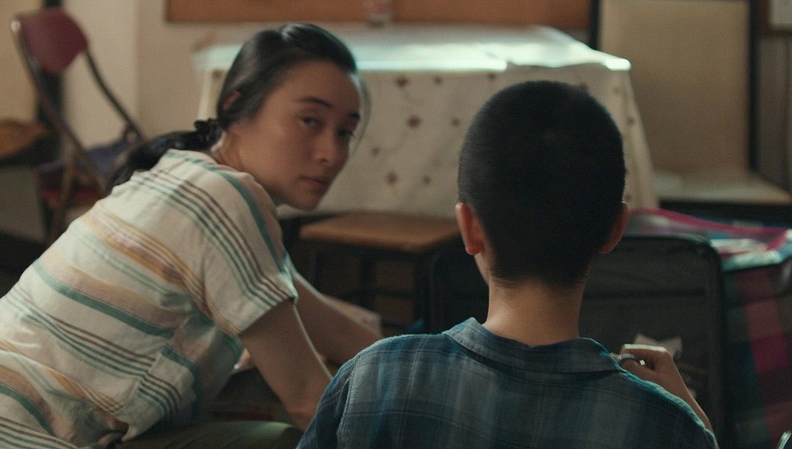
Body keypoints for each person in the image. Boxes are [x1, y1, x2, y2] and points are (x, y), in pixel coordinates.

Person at [0, 23, 380, 449]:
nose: (331, 153)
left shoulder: (186, 175)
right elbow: (307, 398)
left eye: (344, 132)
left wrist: (415, 365)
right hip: (0, 430)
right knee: (285, 437)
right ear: (236, 106)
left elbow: (335, 331)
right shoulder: (222, 198)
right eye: (310, 121)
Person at [296, 81, 718, 449]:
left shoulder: (374, 377)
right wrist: (695, 422)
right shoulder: (662, 424)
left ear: (469, 227)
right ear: (614, 229)